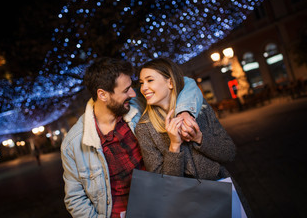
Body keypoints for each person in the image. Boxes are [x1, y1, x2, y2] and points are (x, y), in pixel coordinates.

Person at [60, 57, 203, 218]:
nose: (133, 93)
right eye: (126, 90)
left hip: (165, 205)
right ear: (103, 95)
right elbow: (75, 199)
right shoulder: (72, 144)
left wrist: (184, 111)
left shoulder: (139, 104)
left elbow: (186, 83)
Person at [135, 58, 252, 217]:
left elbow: (229, 153)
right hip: (186, 206)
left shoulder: (199, 109)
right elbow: (164, 185)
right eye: (141, 83)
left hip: (222, 192)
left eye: (149, 80)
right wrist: (174, 147)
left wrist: (200, 139)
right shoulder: (144, 127)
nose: (144, 88)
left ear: (170, 83)